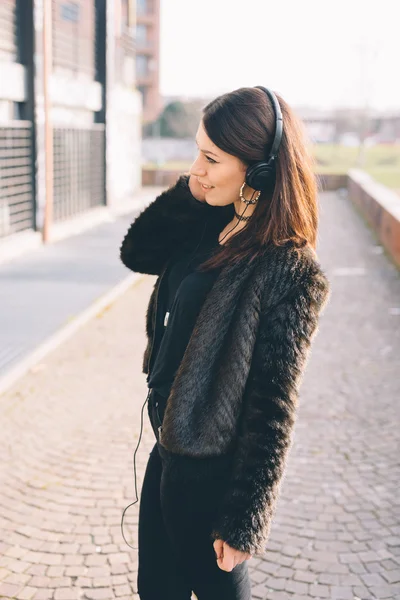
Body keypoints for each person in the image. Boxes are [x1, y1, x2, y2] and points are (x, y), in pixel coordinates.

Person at [119, 86, 331, 600]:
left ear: (259, 169)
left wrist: (243, 522)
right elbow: (137, 252)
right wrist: (193, 189)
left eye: (211, 158)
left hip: (212, 481)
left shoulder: (289, 270)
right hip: (168, 451)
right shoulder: (211, 217)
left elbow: (274, 406)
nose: (197, 167)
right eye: (196, 151)